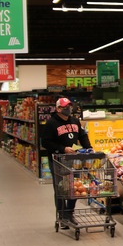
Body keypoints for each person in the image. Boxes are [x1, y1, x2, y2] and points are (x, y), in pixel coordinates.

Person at [41, 98, 92, 229]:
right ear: (58, 108)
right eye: (65, 106)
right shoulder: (51, 123)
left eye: (70, 106)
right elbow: (45, 143)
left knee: (75, 187)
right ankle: (62, 215)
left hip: (73, 160)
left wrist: (89, 148)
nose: (69, 108)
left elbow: (82, 135)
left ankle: (69, 213)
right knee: (60, 188)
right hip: (57, 160)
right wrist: (63, 149)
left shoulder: (75, 121)